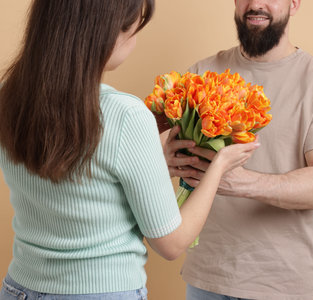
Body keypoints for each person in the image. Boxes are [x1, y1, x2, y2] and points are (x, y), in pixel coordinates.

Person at [0, 1, 259, 299]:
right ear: (105, 34)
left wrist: (150, 164)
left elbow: (72, 178)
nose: (135, 40)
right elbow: (172, 244)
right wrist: (219, 166)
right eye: (134, 29)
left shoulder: (8, 96)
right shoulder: (126, 115)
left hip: (19, 287)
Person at [162, 0, 313, 299]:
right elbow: (158, 154)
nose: (255, 4)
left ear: (295, 4)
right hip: (206, 280)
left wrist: (239, 182)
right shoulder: (200, 74)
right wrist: (164, 161)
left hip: (285, 285)